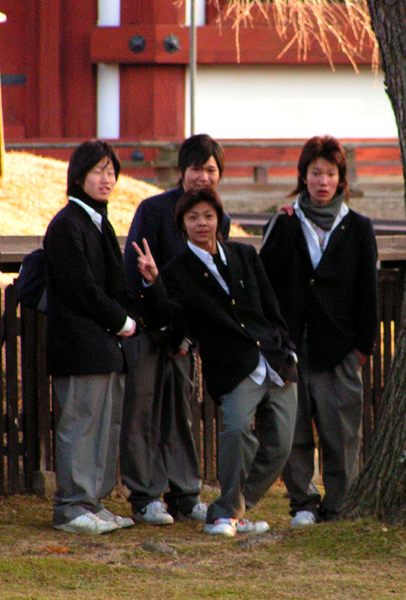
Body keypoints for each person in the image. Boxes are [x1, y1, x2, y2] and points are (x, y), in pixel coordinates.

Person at [133, 186, 298, 538]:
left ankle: (233, 511)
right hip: (234, 368)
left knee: (280, 444)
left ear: (219, 220)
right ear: (183, 226)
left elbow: (272, 307)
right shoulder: (177, 271)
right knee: (237, 431)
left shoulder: (243, 255)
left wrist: (289, 350)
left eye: (208, 216)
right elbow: (171, 321)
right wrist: (153, 282)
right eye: (192, 218)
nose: (202, 223)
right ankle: (225, 514)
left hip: (275, 360)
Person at [259, 135, 379, 528]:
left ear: (341, 178)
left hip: (339, 347)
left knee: (341, 431)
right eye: (315, 173)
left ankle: (340, 503)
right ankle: (303, 503)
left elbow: (367, 290)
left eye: (330, 173)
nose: (322, 182)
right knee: (293, 429)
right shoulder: (286, 220)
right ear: (303, 176)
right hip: (292, 345)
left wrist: (364, 345)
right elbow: (267, 278)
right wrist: (284, 225)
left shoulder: (358, 227)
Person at [120, 134, 231, 525]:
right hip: (147, 331)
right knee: (142, 412)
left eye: (211, 169)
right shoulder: (152, 210)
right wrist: (155, 326)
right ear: (182, 171)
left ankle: (185, 494)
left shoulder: (219, 217)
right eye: (197, 168)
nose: (204, 176)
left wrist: (185, 336)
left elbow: (210, 283)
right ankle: (146, 496)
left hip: (184, 338)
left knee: (183, 415)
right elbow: (134, 273)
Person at [45, 140, 137, 534]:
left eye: (112, 171)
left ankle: (93, 503)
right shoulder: (67, 225)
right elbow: (81, 287)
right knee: (80, 425)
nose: (108, 179)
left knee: (105, 426)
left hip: (104, 347)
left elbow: (114, 283)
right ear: (79, 175)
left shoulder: (100, 222)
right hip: (79, 345)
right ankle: (71, 508)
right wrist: (121, 320)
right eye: (99, 171)